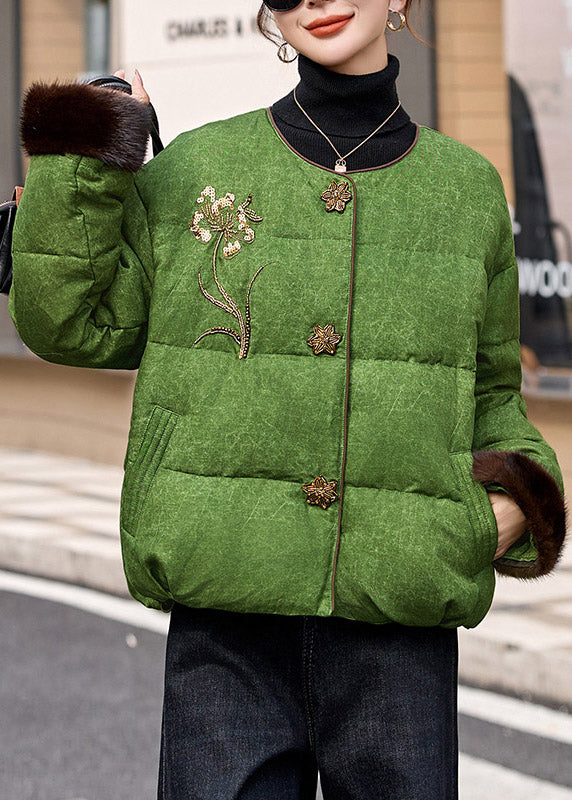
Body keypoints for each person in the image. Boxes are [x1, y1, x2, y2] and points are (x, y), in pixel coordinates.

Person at [8, 1, 568, 798]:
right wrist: (86, 143)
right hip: (226, 629)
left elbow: (491, 398)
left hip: (397, 630)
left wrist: (508, 505)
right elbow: (69, 322)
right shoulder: (200, 170)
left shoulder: (467, 193)